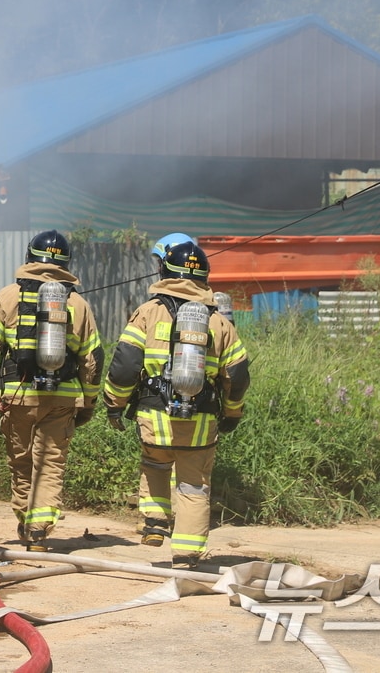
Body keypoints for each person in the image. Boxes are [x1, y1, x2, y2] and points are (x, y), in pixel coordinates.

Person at [101, 240, 250, 569]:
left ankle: (154, 524)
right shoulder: (219, 323)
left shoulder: (148, 312)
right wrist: (232, 412)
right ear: (204, 276)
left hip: (154, 416)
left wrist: (114, 403)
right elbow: (237, 376)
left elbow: (124, 365)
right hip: (200, 423)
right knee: (193, 485)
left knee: (155, 463)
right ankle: (186, 555)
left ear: (165, 271)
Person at [0, 230, 104, 550]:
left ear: (29, 257)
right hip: (62, 398)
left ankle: (26, 517)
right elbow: (92, 359)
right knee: (50, 461)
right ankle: (39, 526)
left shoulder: (7, 296)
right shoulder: (77, 303)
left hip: (18, 395)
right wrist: (88, 401)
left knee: (21, 462)